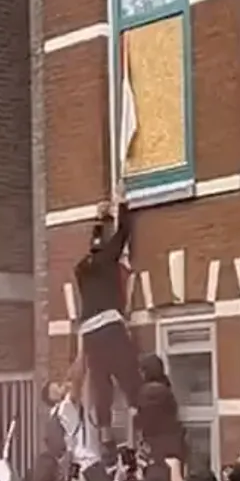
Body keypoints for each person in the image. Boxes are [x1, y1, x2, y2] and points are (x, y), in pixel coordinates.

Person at [75, 186, 143, 451]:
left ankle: (104, 427)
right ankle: (138, 411)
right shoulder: (106, 259)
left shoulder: (82, 268)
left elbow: (96, 245)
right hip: (107, 322)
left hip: (89, 328)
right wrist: (122, 205)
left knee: (100, 376)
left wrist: (100, 220)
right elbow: (123, 233)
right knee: (126, 370)